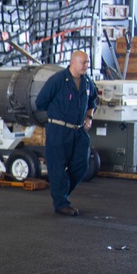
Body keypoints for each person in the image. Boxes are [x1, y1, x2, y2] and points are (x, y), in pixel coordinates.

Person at [35, 49, 98, 217]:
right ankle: (61, 203)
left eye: (87, 62)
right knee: (57, 168)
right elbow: (40, 102)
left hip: (79, 131)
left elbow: (93, 100)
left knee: (82, 165)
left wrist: (89, 117)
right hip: (59, 130)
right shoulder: (57, 80)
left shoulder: (87, 82)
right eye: (83, 62)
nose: (87, 65)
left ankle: (61, 192)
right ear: (73, 62)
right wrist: (57, 114)